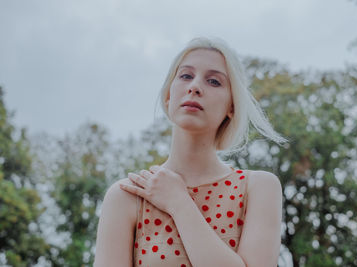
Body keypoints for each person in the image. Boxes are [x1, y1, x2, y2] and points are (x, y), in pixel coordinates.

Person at [94, 36, 288, 267]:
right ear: (168, 96)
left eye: (214, 81)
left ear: (232, 106)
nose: (194, 87)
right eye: (186, 75)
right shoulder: (126, 196)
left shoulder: (259, 188)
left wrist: (179, 202)